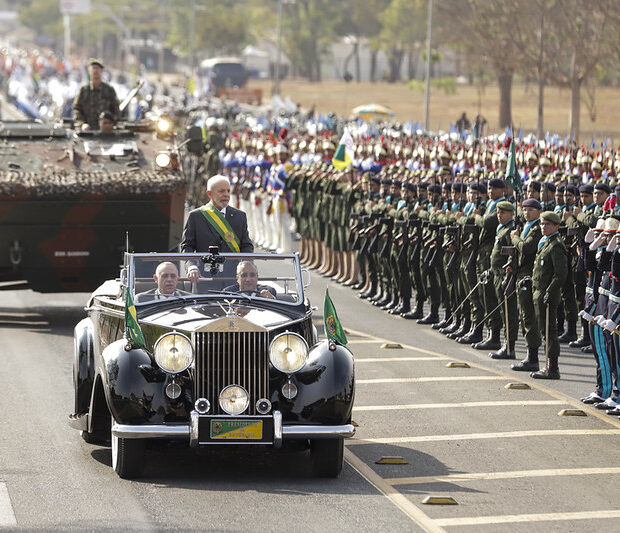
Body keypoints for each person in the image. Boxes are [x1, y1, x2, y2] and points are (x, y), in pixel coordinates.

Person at [181, 175, 253, 283]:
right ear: (209, 194)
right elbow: (187, 246)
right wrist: (192, 267)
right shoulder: (196, 216)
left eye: (228, 191)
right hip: (204, 278)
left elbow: (246, 245)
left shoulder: (240, 216)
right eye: (221, 191)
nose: (226, 195)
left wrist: (246, 265)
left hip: (233, 279)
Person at [530, 211, 568, 379]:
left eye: (547, 224)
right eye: (541, 224)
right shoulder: (546, 242)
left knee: (549, 332)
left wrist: (550, 291)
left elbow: (560, 274)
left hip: (548, 294)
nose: (543, 227)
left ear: (556, 226)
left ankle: (552, 368)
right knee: (543, 330)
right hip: (540, 291)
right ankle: (547, 365)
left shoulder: (556, 245)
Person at [73, 59, 120, 131]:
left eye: (97, 68)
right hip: (87, 130)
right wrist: (82, 124)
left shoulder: (109, 90)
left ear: (102, 71)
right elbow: (76, 109)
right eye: (93, 68)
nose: (95, 71)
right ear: (89, 71)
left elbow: (116, 110)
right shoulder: (84, 90)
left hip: (105, 132)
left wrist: (111, 123)